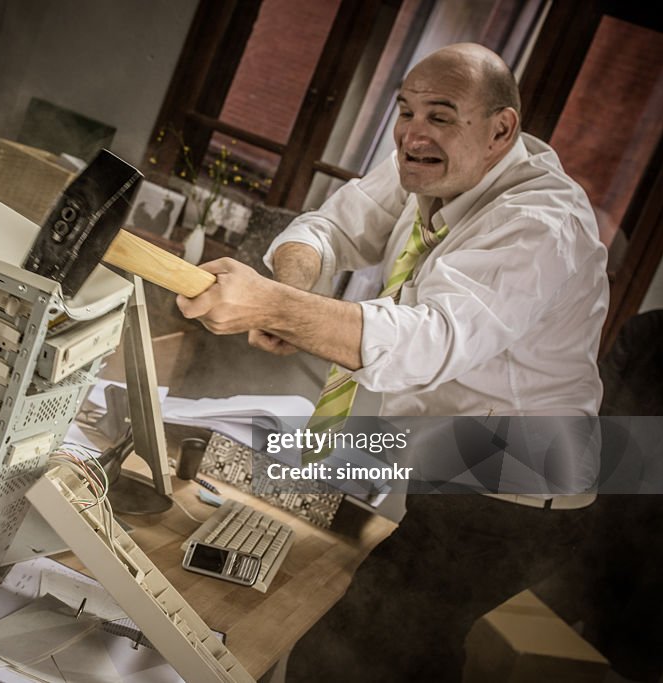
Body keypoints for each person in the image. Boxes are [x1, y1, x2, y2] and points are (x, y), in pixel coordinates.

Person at [176, 43, 609, 681]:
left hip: (517, 489)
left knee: (362, 653)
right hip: (451, 447)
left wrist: (277, 307)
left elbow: (427, 339)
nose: (413, 132)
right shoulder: (431, 160)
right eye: (404, 110)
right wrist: (292, 295)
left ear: (501, 130)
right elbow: (329, 228)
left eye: (439, 114)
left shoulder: (540, 223)